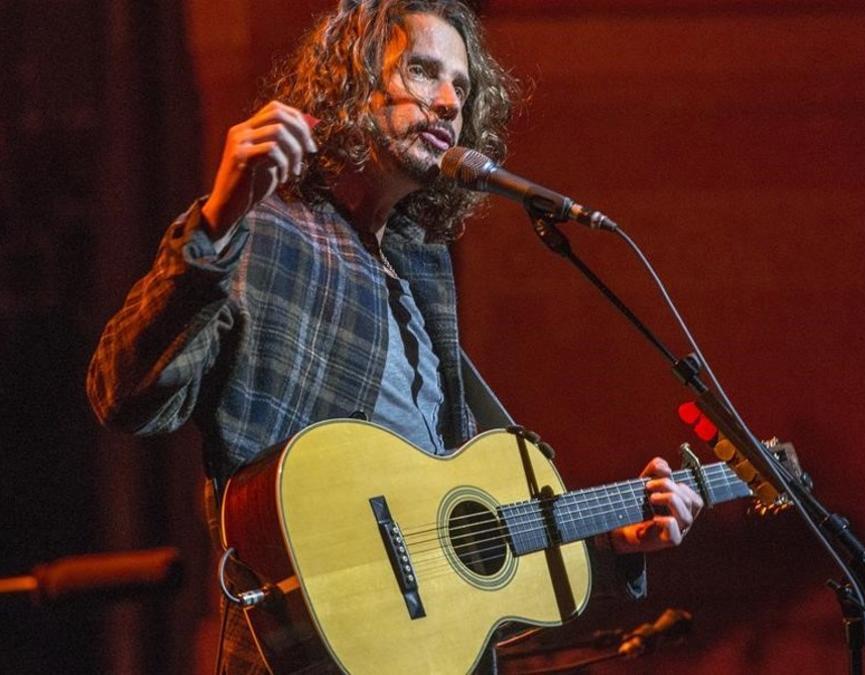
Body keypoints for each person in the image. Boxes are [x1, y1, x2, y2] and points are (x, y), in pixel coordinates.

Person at [86, 0, 703, 672]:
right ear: (350, 87)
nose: (446, 103)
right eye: (422, 72)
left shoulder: (420, 265)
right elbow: (121, 390)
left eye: (462, 88)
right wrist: (216, 221)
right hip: (305, 650)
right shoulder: (266, 230)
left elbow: (453, 530)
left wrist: (610, 539)